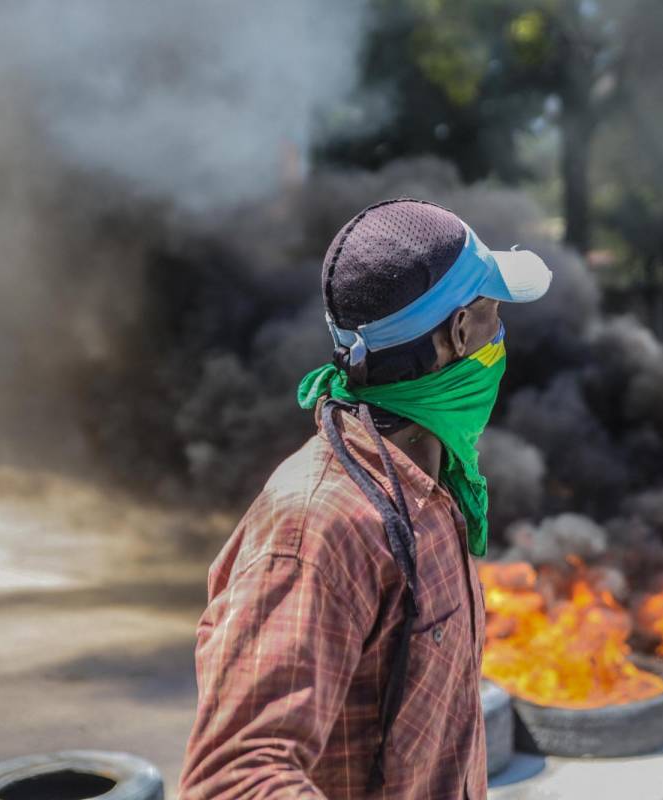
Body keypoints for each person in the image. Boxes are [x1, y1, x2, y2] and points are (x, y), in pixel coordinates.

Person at [179, 199, 552, 799]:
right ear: (459, 334)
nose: (501, 333)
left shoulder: (425, 490)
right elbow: (236, 780)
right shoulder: (318, 526)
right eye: (492, 312)